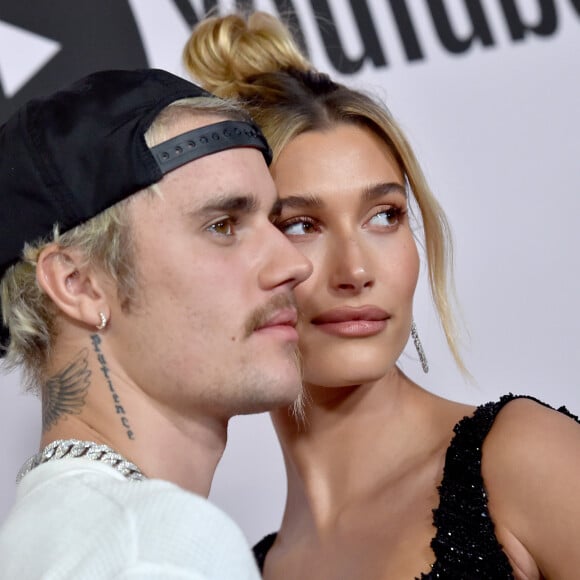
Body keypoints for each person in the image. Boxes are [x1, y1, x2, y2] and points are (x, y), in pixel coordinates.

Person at [184, 12, 580, 579]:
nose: (356, 270)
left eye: (384, 216)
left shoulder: (521, 461)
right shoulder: (251, 569)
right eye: (301, 225)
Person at [0, 67, 313, 578]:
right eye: (223, 226)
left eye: (276, 222)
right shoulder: (159, 547)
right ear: (78, 283)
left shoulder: (42, 538)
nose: (295, 265)